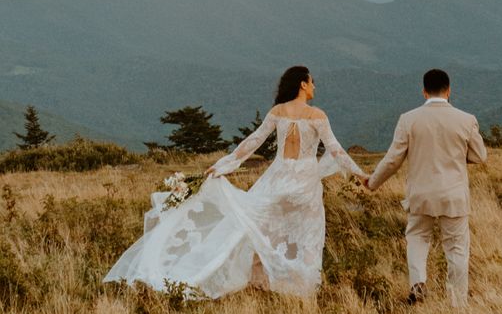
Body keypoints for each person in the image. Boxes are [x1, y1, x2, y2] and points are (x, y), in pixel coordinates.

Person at [103, 66, 366, 299]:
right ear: (302, 84)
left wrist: (223, 165)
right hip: (305, 183)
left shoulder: (278, 111)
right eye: (312, 82)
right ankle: (301, 286)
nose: (314, 87)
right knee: (306, 233)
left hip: (277, 178)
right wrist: (362, 175)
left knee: (259, 228)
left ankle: (260, 278)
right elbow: (337, 151)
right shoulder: (317, 115)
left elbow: (251, 143)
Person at [366, 68, 486, 307]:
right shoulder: (466, 119)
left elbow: (393, 159)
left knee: (417, 239)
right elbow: (480, 155)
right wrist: (458, 156)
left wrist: (373, 182)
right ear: (449, 90)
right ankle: (457, 302)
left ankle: (418, 284)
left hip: (420, 194)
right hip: (453, 195)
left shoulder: (408, 119)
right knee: (456, 249)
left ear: (423, 91)